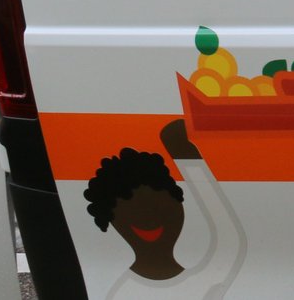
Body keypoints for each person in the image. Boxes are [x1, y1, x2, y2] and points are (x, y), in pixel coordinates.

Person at [82, 119, 246, 299]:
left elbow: (228, 238)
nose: (149, 219)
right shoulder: (125, 294)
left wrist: (185, 154)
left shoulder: (202, 283)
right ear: (110, 218)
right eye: (136, 210)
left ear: (178, 205)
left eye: (159, 206)